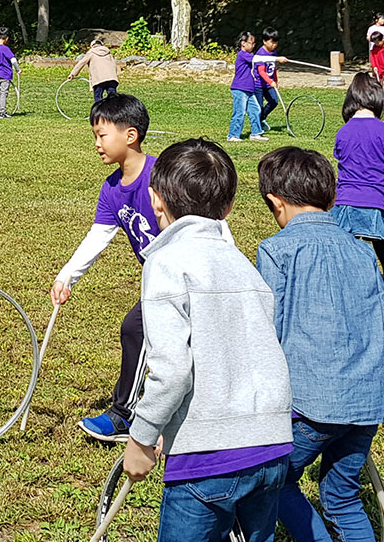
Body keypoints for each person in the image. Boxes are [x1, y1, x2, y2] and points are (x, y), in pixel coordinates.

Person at [120, 138, 292, 542]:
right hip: (272, 448)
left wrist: (142, 438)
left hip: (210, 457)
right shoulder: (244, 264)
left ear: (155, 201)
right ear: (229, 208)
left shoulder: (165, 263)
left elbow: (172, 370)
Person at [255, 147, 384, 542]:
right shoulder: (359, 249)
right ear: (332, 199)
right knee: (343, 496)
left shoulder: (276, 250)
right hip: (366, 402)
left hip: (310, 404)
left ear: (274, 202)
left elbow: (268, 328)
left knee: (273, 480)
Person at [50, 94, 161, 443]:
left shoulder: (162, 174)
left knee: (136, 329)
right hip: (158, 278)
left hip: (186, 277)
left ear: (130, 136)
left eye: (102, 135)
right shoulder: (112, 188)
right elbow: (98, 236)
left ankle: (125, 413)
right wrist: (66, 276)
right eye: (94, 136)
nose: (97, 144)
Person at [331, 72, 384, 325]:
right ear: (378, 99)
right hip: (377, 203)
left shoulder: (343, 132)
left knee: (346, 252)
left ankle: (343, 299)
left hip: (345, 203)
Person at [227, 31, 266, 142]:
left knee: (256, 110)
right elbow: (257, 59)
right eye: (251, 43)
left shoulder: (249, 56)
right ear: (243, 43)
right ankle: (233, 135)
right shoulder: (242, 54)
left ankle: (256, 133)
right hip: (240, 89)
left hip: (249, 89)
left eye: (254, 43)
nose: (253, 46)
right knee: (239, 112)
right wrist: (277, 59)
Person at [254, 29, 288, 131]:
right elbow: (261, 71)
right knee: (258, 107)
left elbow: (273, 68)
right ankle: (257, 127)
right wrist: (270, 81)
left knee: (274, 101)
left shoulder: (273, 53)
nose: (274, 45)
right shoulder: (261, 54)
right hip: (259, 85)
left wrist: (276, 80)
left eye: (276, 42)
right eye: (272, 42)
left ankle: (261, 119)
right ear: (265, 41)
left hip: (269, 84)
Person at [69, 37, 119, 103]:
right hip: (111, 78)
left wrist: (72, 74)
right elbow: (114, 64)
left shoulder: (91, 52)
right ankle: (115, 111)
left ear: (92, 46)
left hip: (99, 79)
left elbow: (81, 63)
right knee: (113, 98)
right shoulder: (108, 53)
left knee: (98, 98)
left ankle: (99, 112)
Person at [0, 27, 19, 117]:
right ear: (6, 38)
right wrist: (18, 69)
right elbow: (13, 60)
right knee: (4, 93)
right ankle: (2, 111)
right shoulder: (5, 49)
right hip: (5, 74)